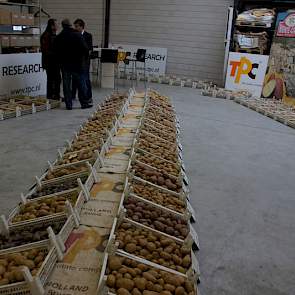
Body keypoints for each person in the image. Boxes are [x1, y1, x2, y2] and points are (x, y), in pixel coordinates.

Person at [54, 19, 91, 110]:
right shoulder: (77, 35)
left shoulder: (59, 37)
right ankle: (84, 103)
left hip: (65, 65)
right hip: (77, 64)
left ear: (62, 26)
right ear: (70, 25)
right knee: (81, 84)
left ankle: (69, 105)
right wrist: (84, 59)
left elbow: (56, 51)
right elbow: (85, 49)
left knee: (66, 86)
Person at [73, 19, 93, 105]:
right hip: (75, 61)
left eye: (77, 26)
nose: (75, 28)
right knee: (75, 79)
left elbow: (89, 48)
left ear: (81, 26)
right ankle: (73, 95)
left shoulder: (88, 35)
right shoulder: (74, 35)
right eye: (75, 26)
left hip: (84, 61)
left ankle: (88, 97)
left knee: (86, 79)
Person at [40, 19, 61, 100]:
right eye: (56, 24)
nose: (58, 26)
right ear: (52, 26)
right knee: (51, 79)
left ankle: (56, 95)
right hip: (50, 62)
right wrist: (57, 53)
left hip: (55, 61)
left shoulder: (54, 35)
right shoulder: (46, 36)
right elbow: (46, 51)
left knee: (57, 79)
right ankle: (51, 96)